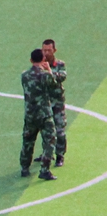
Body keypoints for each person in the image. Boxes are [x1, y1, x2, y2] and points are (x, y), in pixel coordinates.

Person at [20, 50, 57, 181]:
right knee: (50, 141)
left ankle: (24, 168)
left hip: (30, 113)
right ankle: (44, 169)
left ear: (31, 60)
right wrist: (49, 70)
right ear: (43, 59)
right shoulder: (44, 75)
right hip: (44, 114)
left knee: (28, 141)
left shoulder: (24, 75)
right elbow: (54, 85)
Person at [41, 39, 68, 167]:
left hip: (57, 102)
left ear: (54, 50)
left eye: (49, 50)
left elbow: (61, 77)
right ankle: (47, 154)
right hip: (44, 102)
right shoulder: (39, 64)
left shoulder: (60, 64)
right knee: (45, 130)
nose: (46, 53)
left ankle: (60, 155)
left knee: (60, 131)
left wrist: (49, 71)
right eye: (44, 50)